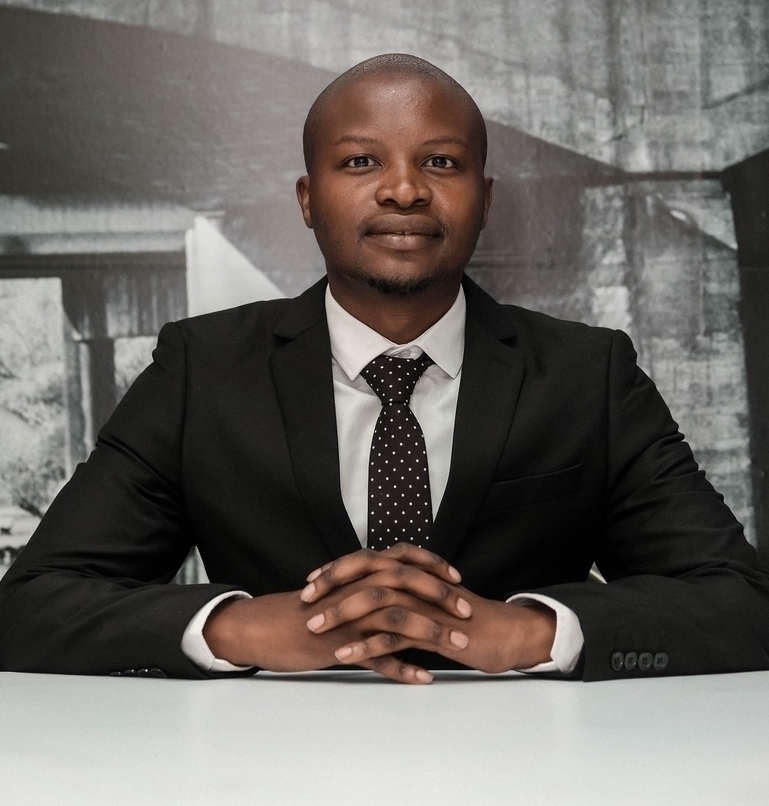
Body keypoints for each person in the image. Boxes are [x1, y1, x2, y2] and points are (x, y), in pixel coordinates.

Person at [1, 54, 768, 685]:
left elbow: (741, 603)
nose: (404, 189)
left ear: (484, 199)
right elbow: (29, 608)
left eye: (441, 161)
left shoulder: (587, 374)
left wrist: (525, 632)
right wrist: (241, 628)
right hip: (262, 770)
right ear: (308, 199)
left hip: (535, 770)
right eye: (360, 161)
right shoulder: (199, 371)